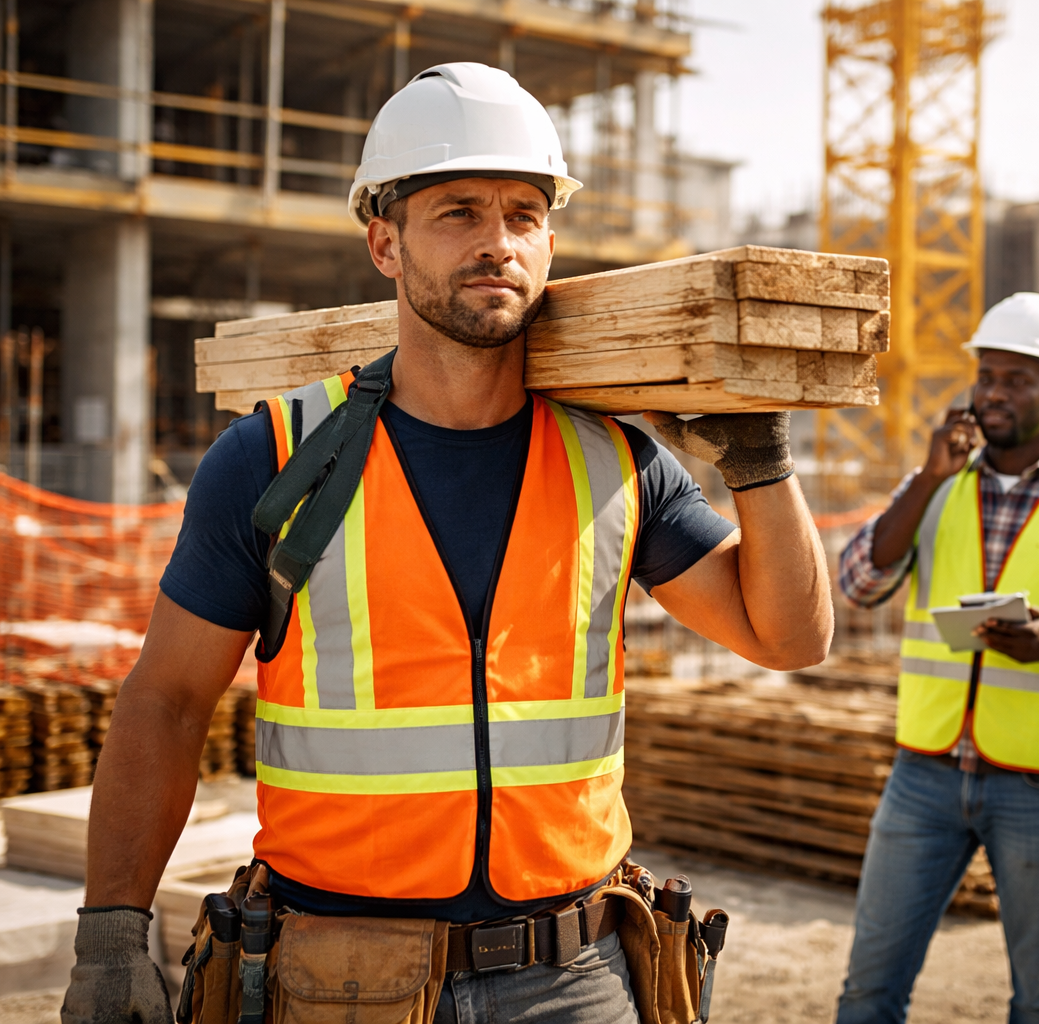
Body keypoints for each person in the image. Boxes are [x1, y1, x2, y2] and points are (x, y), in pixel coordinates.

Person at [60, 63, 833, 1024]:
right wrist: (110, 936)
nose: (497, 242)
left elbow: (791, 638)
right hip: (338, 976)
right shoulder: (276, 458)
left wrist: (758, 457)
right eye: (458, 212)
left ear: (551, 241)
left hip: (574, 973)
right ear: (384, 242)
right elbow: (167, 703)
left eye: (523, 213)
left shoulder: (616, 465)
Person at [834, 293, 1039, 1024]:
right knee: (868, 989)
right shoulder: (936, 486)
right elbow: (857, 583)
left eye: (1016, 380)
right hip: (924, 774)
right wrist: (926, 479)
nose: (993, 394)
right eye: (986, 377)